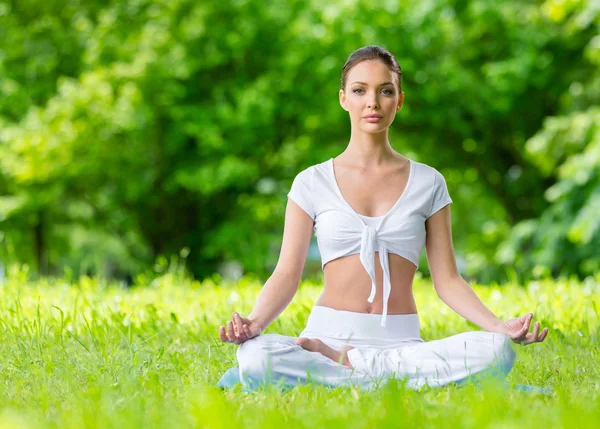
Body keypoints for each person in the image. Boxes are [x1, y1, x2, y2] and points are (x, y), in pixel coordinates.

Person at [218, 45, 548, 391]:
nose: (372, 102)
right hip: (324, 336)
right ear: (344, 98)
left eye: (385, 91)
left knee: (497, 351)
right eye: (360, 90)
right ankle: (375, 374)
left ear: (399, 100)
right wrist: (254, 323)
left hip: (400, 344)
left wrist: (499, 326)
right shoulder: (311, 182)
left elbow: (448, 280)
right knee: (257, 357)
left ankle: (349, 366)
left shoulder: (428, 182)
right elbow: (286, 274)